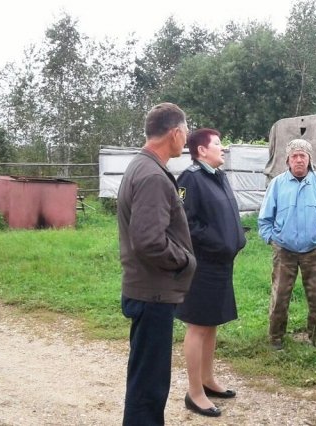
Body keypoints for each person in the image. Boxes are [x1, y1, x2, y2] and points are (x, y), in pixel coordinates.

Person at [117, 102, 197, 426]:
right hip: (153, 295)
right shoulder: (151, 175)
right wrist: (183, 260)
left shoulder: (144, 166)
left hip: (149, 292)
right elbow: (148, 240)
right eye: (186, 130)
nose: (187, 137)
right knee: (149, 387)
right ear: (175, 132)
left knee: (145, 381)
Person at [175, 128, 246, 418]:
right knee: (198, 325)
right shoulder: (191, 178)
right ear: (201, 150)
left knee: (212, 323)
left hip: (221, 263)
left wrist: (234, 240)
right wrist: (218, 242)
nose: (223, 148)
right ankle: (194, 392)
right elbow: (186, 223)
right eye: (217, 144)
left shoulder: (218, 175)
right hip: (203, 264)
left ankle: (208, 379)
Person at [258, 138, 316, 350]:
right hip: (284, 251)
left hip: (314, 251)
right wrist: (272, 239)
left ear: (309, 159)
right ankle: (275, 337)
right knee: (280, 295)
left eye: (302, 156)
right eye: (294, 156)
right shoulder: (277, 184)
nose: (298, 160)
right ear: (287, 160)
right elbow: (265, 219)